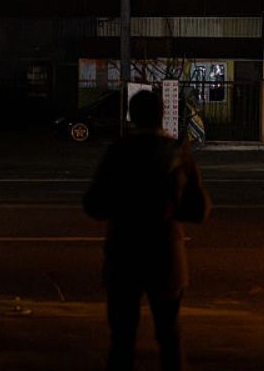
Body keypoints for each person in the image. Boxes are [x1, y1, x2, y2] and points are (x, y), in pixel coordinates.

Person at [83, 89, 212, 371]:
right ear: (161, 115)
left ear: (132, 116)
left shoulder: (118, 151)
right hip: (165, 253)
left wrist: (124, 205)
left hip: (124, 253)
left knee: (122, 339)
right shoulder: (177, 153)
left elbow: (93, 205)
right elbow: (199, 210)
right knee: (169, 336)